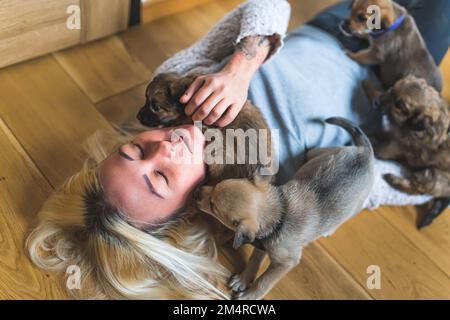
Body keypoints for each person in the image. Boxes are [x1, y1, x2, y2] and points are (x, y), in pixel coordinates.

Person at [26, 0, 450, 299]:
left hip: (339, 30)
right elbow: (366, 183)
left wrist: (239, 68)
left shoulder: (174, 86)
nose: (164, 147)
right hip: (401, 77)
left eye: (136, 151)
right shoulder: (259, 194)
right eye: (160, 177)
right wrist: (427, 185)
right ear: (191, 207)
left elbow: (271, 6)